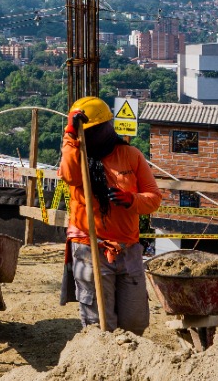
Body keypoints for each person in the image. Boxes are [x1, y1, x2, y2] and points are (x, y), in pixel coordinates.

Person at [58, 97, 161, 333]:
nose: (89, 136)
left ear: (107, 127)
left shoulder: (131, 155)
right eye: (85, 132)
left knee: (135, 321)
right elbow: (70, 175)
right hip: (90, 246)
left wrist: (132, 200)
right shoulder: (77, 155)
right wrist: (71, 136)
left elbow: (153, 198)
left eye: (93, 130)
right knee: (99, 324)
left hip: (128, 248)